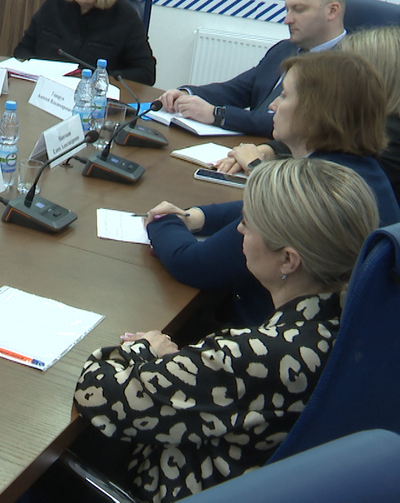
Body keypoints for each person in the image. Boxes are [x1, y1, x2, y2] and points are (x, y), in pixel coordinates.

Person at [75, 158, 378, 502]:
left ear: (288, 260)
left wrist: (145, 348)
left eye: (247, 223)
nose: (239, 231)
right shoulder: (355, 319)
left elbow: (94, 391)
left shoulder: (255, 355)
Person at [145, 51, 399, 328]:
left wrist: (162, 221)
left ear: (316, 112)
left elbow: (194, 265)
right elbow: (258, 209)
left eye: (285, 96)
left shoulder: (311, 191)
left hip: (264, 334)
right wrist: (198, 216)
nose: (273, 105)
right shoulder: (356, 171)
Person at [217, 26, 400, 205]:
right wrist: (269, 150)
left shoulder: (372, 154)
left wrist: (255, 166)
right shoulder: (349, 142)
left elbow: (294, 204)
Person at [158, 0, 346, 137]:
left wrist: (217, 114)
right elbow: (237, 90)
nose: (287, 19)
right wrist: (187, 94)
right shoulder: (283, 49)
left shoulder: (347, 67)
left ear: (332, 11)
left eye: (299, 9)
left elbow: (295, 123)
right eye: (287, 10)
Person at [12, 0, 156, 84]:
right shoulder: (54, 4)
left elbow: (146, 73)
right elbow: (22, 51)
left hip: (93, 96)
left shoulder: (125, 17)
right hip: (45, 88)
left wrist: (100, 79)